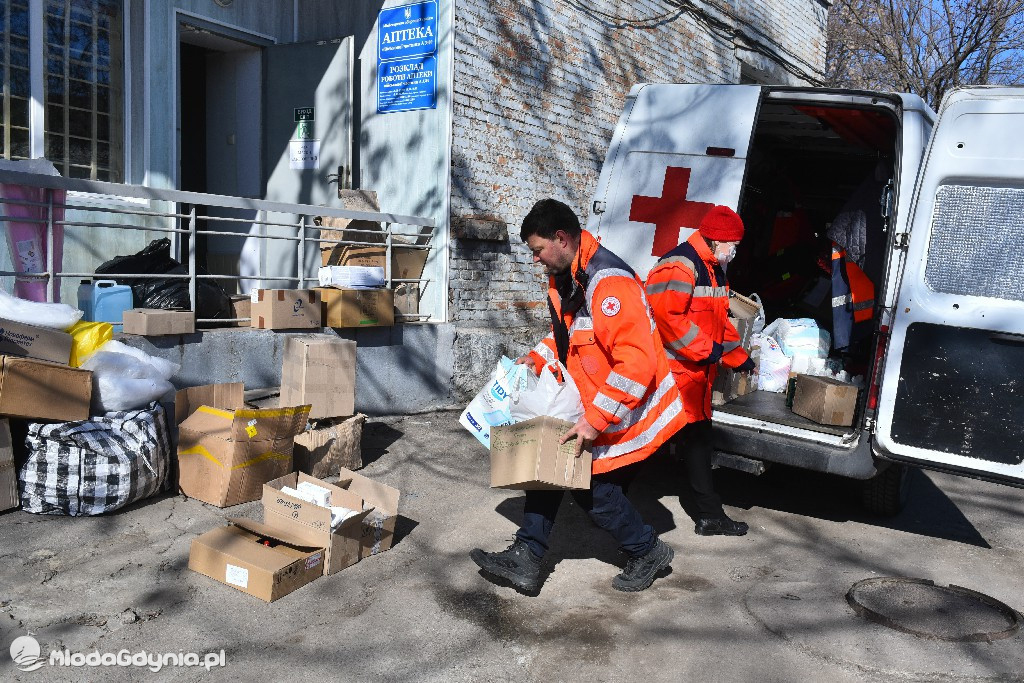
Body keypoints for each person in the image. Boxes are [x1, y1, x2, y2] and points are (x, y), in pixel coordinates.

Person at [471, 198, 687, 594]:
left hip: (629, 410)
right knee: (551, 467)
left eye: (537, 250)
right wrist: (537, 358)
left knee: (592, 491)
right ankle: (527, 556)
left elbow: (636, 366)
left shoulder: (610, 285)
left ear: (561, 238)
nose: (535, 260)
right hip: (598, 401)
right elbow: (568, 338)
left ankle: (648, 551)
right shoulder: (567, 276)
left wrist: (595, 421)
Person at [646, 205, 755, 537]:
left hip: (694, 379)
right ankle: (602, 497)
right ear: (714, 240)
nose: (734, 252)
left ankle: (709, 515)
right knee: (647, 442)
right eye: (731, 245)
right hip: (671, 376)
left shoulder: (713, 269)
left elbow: (718, 324)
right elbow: (670, 323)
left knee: (698, 444)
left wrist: (739, 358)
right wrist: (711, 352)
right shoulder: (679, 267)